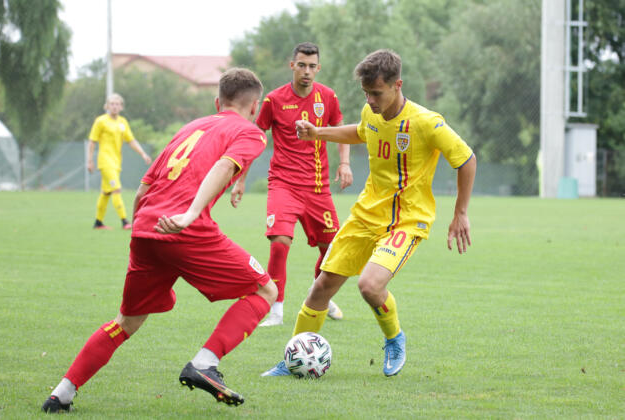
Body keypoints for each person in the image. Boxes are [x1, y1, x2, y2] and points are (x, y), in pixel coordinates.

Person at [42, 68, 277, 413]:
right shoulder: (250, 132)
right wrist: (190, 214)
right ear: (255, 107)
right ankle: (204, 363)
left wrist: (142, 234)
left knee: (126, 322)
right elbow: (225, 167)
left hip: (146, 230)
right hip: (186, 230)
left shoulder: (189, 128)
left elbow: (144, 187)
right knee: (265, 290)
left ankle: (61, 394)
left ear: (217, 102)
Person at [261, 49, 476, 377]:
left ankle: (394, 338)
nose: (370, 100)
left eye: (376, 93)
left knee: (369, 286)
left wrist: (460, 212)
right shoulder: (370, 111)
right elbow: (361, 131)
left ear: (397, 85)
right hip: (365, 215)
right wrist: (318, 133)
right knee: (321, 287)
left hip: (407, 220)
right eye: (366, 93)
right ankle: (293, 361)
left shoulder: (426, 122)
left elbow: (466, 159)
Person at [231, 42, 353, 327]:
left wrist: (345, 164)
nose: (306, 71)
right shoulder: (273, 100)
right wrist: (240, 180)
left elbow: (341, 131)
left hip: (318, 187)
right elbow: (255, 139)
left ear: (318, 68)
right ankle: (275, 310)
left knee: (333, 251)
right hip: (283, 184)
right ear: (292, 66)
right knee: (279, 244)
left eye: (311, 66)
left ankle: (319, 295)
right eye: (301, 65)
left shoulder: (328, 97)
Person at [87, 93, 152, 230]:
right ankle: (125, 221)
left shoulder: (123, 122)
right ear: (106, 106)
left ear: (121, 107)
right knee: (116, 189)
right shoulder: (100, 121)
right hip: (105, 161)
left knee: (106, 192)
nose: (114, 106)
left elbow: (131, 140)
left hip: (117, 162)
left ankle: (98, 223)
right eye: (112, 104)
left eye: (117, 104)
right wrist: (90, 161)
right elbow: (92, 141)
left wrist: (143, 153)